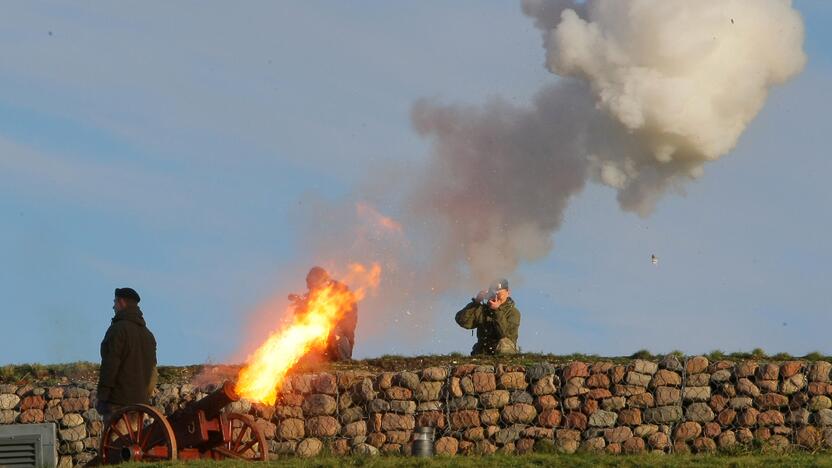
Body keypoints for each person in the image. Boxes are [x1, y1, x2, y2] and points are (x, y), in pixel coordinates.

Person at [96, 287, 158, 424]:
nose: (113, 306)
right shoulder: (149, 336)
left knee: (116, 444)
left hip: (118, 404)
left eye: (115, 302)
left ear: (122, 303)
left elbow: (110, 366)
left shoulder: (117, 330)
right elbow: (153, 372)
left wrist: (102, 397)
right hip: (141, 406)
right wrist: (144, 396)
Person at [288, 267, 357, 361]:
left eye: (313, 285)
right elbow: (302, 318)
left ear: (321, 281)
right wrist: (301, 305)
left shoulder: (342, 293)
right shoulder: (311, 297)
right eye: (310, 287)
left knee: (333, 331)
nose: (311, 289)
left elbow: (347, 324)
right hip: (318, 350)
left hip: (339, 343)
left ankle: (341, 360)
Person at [455, 278, 520, 355]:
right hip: (483, 350)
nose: (496, 296)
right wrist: (476, 303)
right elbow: (463, 322)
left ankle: (502, 365)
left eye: (499, 294)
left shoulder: (513, 312)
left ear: (508, 293)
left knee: (504, 343)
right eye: (493, 293)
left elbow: (504, 334)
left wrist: (496, 311)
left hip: (504, 351)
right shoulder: (483, 309)